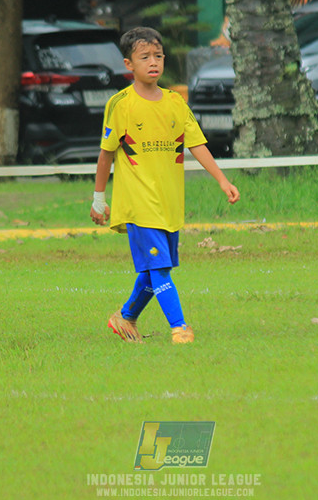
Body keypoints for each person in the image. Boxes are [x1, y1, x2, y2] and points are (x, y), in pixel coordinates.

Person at [90, 27, 240, 344]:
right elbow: (105, 156)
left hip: (168, 203)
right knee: (159, 268)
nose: (153, 62)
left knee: (155, 268)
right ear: (129, 64)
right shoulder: (121, 104)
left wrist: (222, 180)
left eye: (158, 56)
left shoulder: (175, 102)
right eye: (145, 57)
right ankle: (180, 328)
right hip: (137, 204)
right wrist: (98, 199)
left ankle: (125, 317)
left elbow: (197, 144)